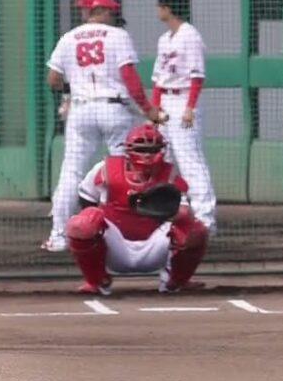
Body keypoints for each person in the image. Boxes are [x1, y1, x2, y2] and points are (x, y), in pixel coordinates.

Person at [42, 0, 166, 252]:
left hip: (81, 110)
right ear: (103, 12)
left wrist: (74, 85)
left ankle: (58, 236)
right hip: (113, 110)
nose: (113, 15)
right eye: (110, 11)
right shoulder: (118, 36)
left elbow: (52, 79)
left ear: (89, 12)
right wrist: (147, 109)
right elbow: (130, 77)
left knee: (71, 171)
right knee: (124, 171)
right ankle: (126, 231)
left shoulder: (68, 38)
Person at [65, 123, 209, 295]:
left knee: (196, 228)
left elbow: (185, 212)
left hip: (154, 245)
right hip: (115, 245)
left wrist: (156, 209)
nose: (147, 155)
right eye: (142, 149)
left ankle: (175, 281)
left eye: (153, 149)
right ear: (128, 150)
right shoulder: (105, 169)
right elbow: (86, 199)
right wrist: (95, 227)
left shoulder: (170, 174)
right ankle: (97, 280)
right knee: (83, 223)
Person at [150, 0, 217, 233]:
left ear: (168, 8)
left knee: (190, 161)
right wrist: (154, 110)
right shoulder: (164, 39)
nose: (157, 10)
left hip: (182, 102)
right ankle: (171, 213)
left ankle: (206, 219)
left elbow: (197, 76)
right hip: (166, 104)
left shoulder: (190, 35)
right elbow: (157, 79)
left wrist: (190, 107)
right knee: (163, 161)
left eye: (159, 6)